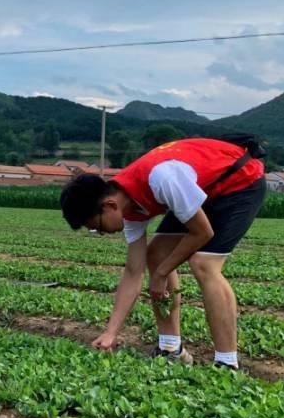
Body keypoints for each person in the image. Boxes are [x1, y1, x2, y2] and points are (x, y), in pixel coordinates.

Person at [59, 137, 265, 370]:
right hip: (204, 188)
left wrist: (162, 274)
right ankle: (171, 349)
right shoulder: (129, 207)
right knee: (156, 254)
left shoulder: (161, 178)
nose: (100, 232)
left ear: (109, 205)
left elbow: (202, 233)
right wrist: (110, 333)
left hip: (240, 181)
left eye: (96, 226)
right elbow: (133, 272)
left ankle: (227, 363)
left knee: (204, 263)